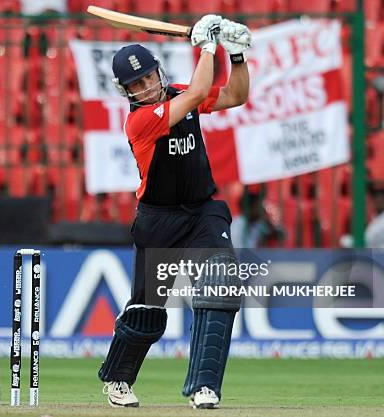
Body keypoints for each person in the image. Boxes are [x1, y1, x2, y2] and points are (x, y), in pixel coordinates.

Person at [98, 15, 251, 409]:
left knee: (220, 284)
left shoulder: (181, 93)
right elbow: (200, 90)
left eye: (148, 77)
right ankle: (117, 378)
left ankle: (204, 386)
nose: (145, 87)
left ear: (158, 72)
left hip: (202, 212)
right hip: (158, 221)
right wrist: (208, 45)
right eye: (135, 85)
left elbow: (235, 96)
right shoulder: (140, 121)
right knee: (148, 309)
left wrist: (235, 56)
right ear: (126, 92)